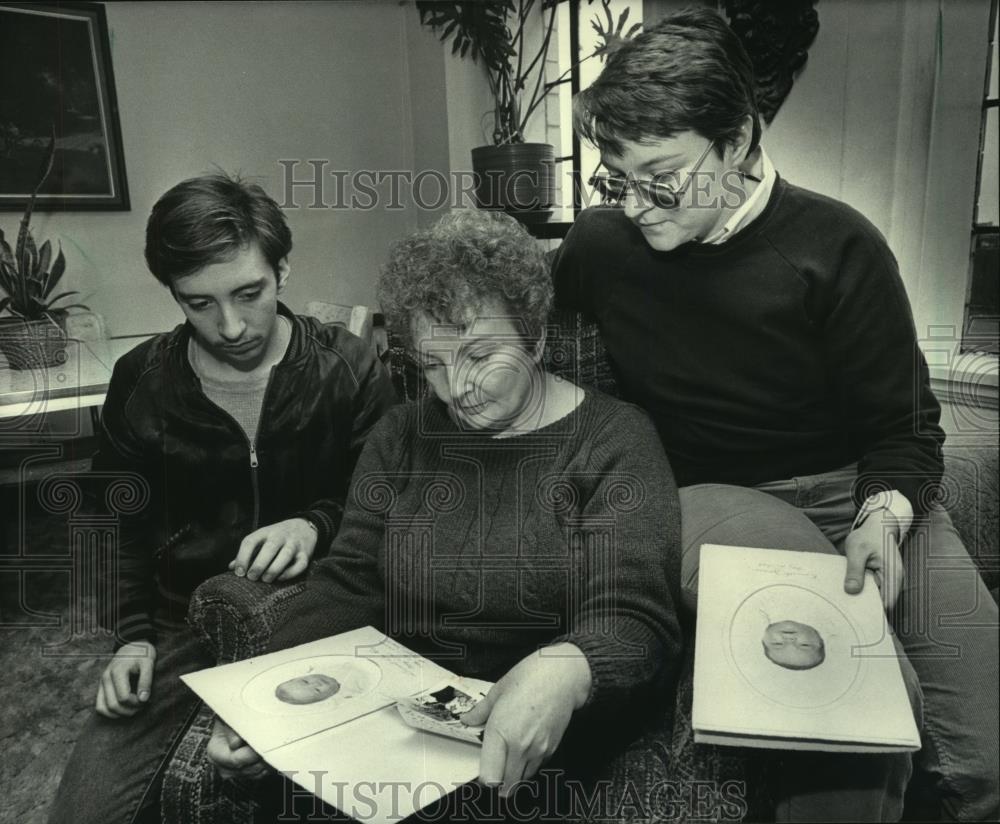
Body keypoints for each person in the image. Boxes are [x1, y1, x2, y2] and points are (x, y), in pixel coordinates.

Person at [552, 7, 998, 821]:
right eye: (620, 177)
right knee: (855, 707)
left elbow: (904, 429)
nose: (639, 204)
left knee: (990, 749)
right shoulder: (598, 249)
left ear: (739, 141)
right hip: (712, 500)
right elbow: (498, 312)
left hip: (858, 490)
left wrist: (883, 515)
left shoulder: (838, 245)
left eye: (664, 176)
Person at [207, 209, 684, 821]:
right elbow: (350, 580)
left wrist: (570, 666)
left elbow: (637, 615)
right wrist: (257, 695)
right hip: (398, 728)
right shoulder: (401, 435)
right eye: (434, 364)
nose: (458, 388)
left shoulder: (615, 439)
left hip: (543, 742)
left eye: (482, 355)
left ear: (536, 338)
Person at [49, 172, 397, 824]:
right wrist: (131, 639)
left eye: (249, 293)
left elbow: (389, 500)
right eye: (198, 304)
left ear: (283, 269)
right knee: (83, 813)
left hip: (318, 620)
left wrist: (316, 524)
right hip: (184, 626)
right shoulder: (141, 381)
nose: (230, 326)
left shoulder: (348, 367)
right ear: (173, 294)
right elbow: (112, 524)